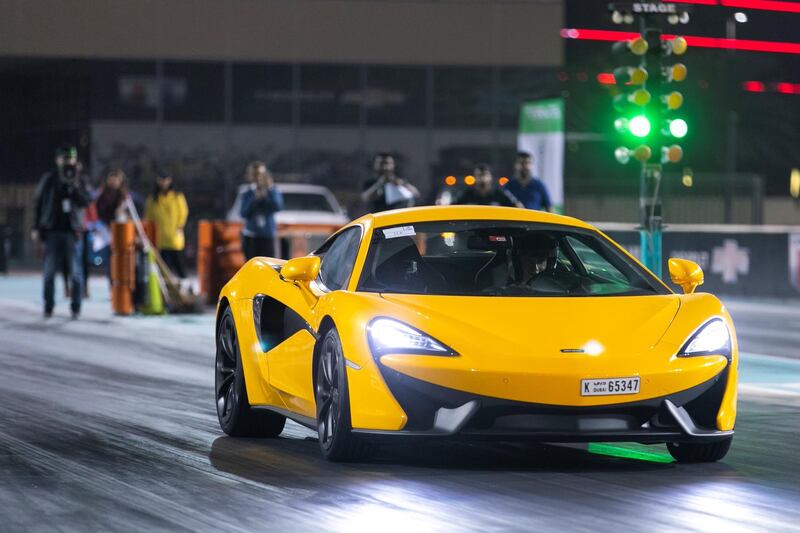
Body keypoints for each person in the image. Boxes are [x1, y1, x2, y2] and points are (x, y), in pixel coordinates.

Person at [31, 144, 91, 319]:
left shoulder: (80, 180)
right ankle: (48, 306)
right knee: (49, 273)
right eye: (64, 159)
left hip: (73, 232)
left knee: (76, 274)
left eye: (70, 159)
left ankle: (76, 307)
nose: (67, 162)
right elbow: (37, 203)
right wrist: (36, 226)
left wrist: (75, 186)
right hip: (52, 231)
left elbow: (86, 202)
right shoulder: (49, 179)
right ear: (57, 160)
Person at [145, 171, 189, 278]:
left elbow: (183, 212)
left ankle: (183, 283)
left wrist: (180, 225)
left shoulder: (177, 196)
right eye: (162, 180)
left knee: (179, 264)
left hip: (174, 235)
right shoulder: (153, 199)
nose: (164, 182)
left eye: (166, 180)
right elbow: (148, 216)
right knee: (163, 266)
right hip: (160, 237)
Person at [239, 161, 283, 260]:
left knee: (268, 265)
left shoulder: (272, 191)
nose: (259, 178)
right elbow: (243, 212)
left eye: (261, 174)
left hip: (267, 234)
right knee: (251, 264)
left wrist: (268, 192)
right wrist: (255, 200)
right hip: (251, 235)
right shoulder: (247, 192)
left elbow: (278, 206)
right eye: (256, 174)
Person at [455, 164, 522, 207]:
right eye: (479, 175)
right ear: (474, 177)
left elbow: (518, 207)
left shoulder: (499, 194)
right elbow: (452, 207)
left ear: (491, 177)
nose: (482, 178)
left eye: (484, 174)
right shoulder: (467, 195)